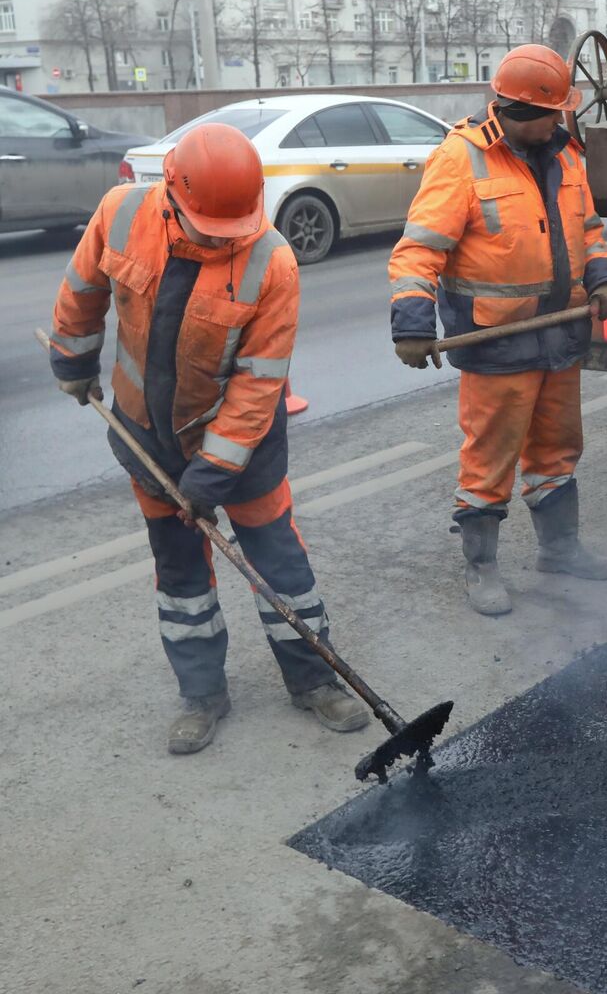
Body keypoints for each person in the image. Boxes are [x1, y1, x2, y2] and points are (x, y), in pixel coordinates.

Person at [48, 123, 369, 754]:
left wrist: (211, 476)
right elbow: (82, 291)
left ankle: (314, 681)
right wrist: (73, 362)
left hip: (242, 452)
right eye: (204, 225)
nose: (217, 238)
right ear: (170, 192)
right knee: (181, 575)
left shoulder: (272, 260)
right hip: (147, 439)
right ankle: (201, 693)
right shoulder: (121, 213)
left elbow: (258, 384)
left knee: (281, 567)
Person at [388, 44, 607, 616]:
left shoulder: (567, 156)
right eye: (559, 110)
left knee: (558, 450)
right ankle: (482, 567)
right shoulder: (460, 160)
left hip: (561, 335)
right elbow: (419, 252)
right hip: (497, 341)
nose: (567, 118)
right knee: (489, 462)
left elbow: (589, 233)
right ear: (528, 110)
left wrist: (606, 278)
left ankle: (560, 550)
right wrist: (412, 325)